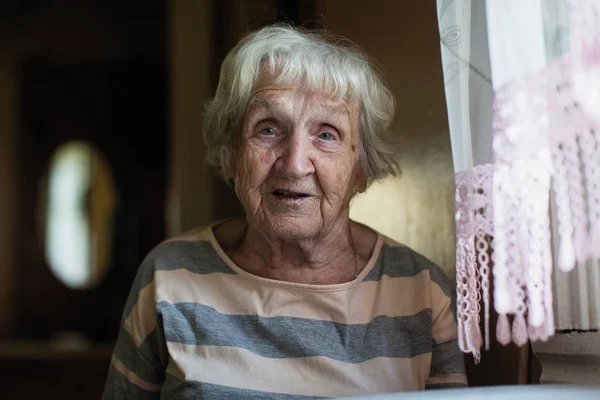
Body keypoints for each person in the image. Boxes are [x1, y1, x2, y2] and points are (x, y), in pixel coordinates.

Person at [102, 24, 466, 399]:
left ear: (362, 168)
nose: (294, 165)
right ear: (231, 156)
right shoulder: (169, 276)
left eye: (326, 134)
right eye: (268, 129)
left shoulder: (420, 290)